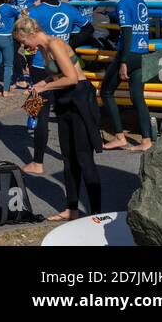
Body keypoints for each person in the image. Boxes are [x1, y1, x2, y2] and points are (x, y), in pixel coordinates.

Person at [13, 15, 104, 221]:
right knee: (68, 157)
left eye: (23, 42)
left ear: (31, 34)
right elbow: (56, 75)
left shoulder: (55, 44)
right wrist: (41, 83)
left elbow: (71, 77)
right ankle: (71, 208)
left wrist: (45, 86)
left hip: (80, 97)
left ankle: (97, 212)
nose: (24, 47)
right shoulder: (44, 48)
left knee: (83, 158)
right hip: (64, 100)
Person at [22, 0, 93, 175]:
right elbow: (88, 29)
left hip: (40, 66)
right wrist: (68, 45)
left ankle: (37, 161)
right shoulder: (69, 8)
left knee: (39, 113)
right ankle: (69, 155)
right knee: (63, 110)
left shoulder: (34, 13)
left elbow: (26, 39)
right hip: (64, 64)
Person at [100, 0, 154, 153]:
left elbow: (127, 33)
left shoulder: (123, 3)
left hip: (129, 53)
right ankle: (146, 140)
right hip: (143, 52)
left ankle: (119, 136)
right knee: (137, 97)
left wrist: (122, 61)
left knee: (106, 92)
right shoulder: (141, 1)